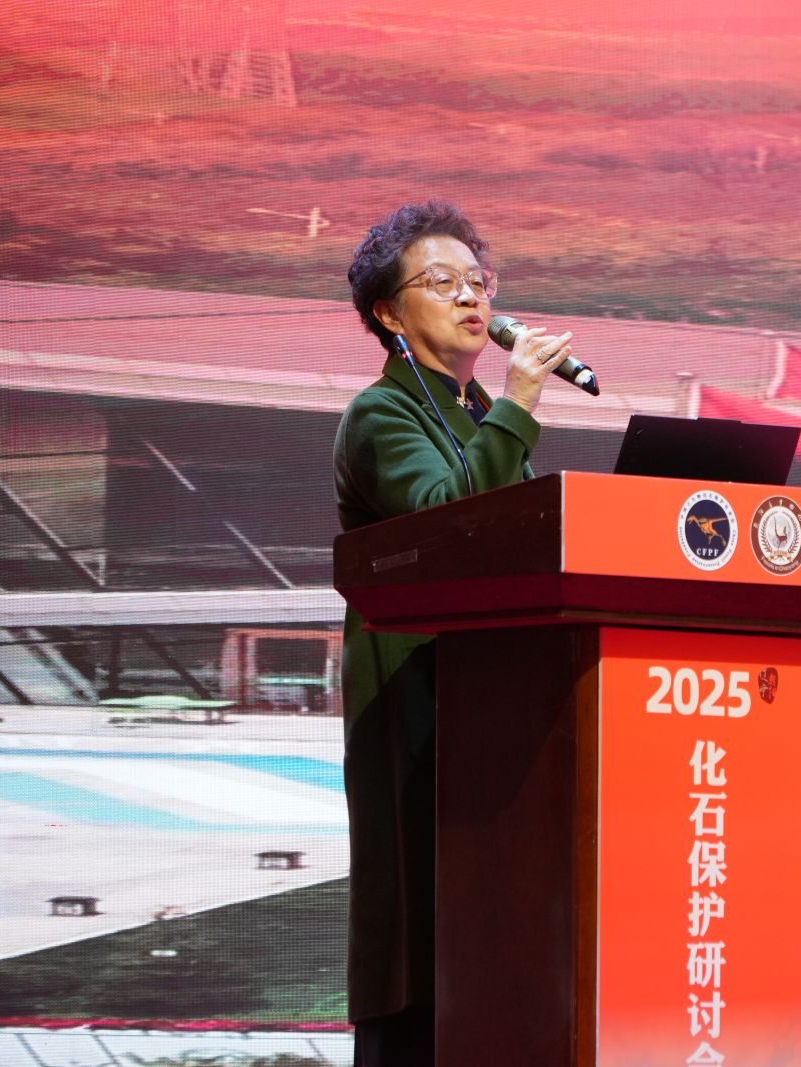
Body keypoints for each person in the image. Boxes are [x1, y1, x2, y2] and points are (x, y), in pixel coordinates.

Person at [334, 201, 574, 1065]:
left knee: (491, 945)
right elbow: (449, 525)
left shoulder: (476, 412)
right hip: (419, 712)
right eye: (442, 283)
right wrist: (522, 402)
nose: (472, 298)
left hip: (494, 708)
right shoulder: (381, 414)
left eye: (479, 281)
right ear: (389, 313)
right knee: (422, 942)